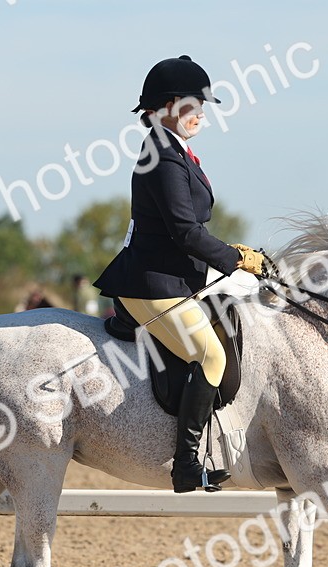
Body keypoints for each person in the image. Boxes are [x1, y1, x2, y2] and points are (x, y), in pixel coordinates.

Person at [93, 55, 264, 493]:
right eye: (192, 106)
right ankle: (186, 465)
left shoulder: (176, 152)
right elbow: (186, 231)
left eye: (203, 107)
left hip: (174, 277)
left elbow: (190, 226)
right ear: (164, 107)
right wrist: (234, 258)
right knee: (211, 356)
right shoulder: (162, 157)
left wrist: (233, 252)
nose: (200, 115)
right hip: (153, 284)